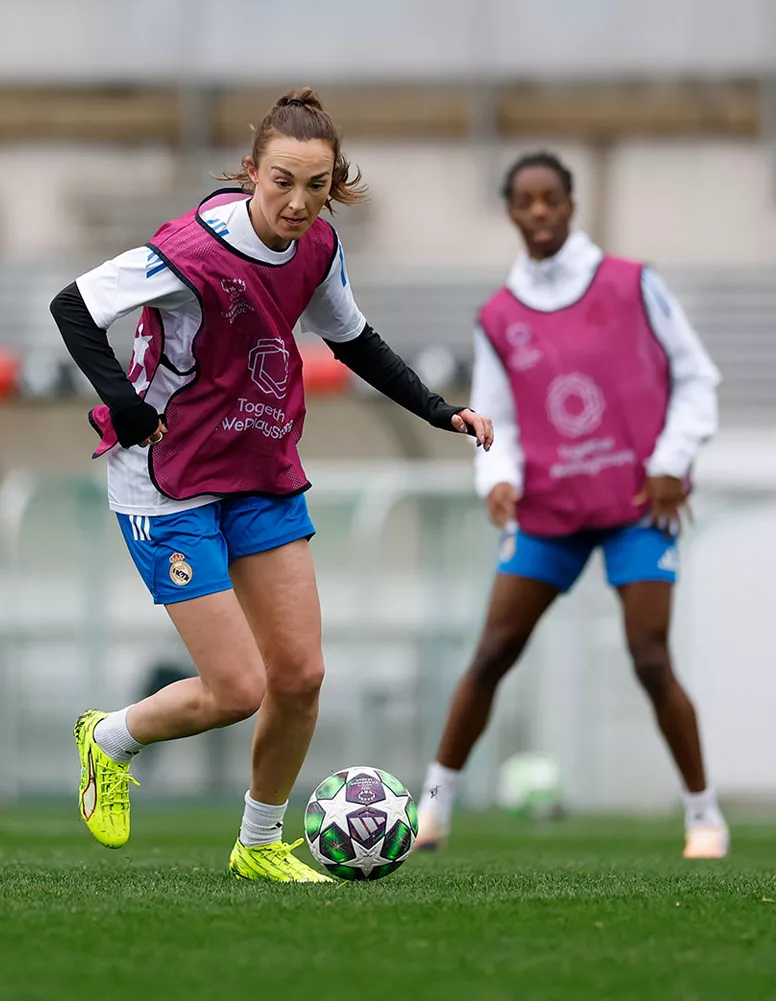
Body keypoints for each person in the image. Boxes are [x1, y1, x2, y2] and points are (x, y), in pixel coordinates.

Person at [50, 89, 493, 882]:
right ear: (252, 171)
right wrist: (122, 402)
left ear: (335, 184)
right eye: (282, 181)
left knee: (300, 675)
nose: (297, 202)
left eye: (316, 186)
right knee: (237, 687)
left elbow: (352, 338)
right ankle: (109, 737)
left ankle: (258, 844)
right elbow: (74, 305)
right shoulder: (190, 247)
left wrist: (438, 410)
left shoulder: (318, 248)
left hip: (258, 468)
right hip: (170, 479)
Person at [415, 151, 729, 859]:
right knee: (494, 651)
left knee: (650, 656)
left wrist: (671, 464)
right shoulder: (497, 315)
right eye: (524, 201)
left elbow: (696, 376)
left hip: (635, 504)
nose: (538, 212)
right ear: (509, 211)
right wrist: (494, 476)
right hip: (550, 512)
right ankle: (432, 807)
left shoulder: (631, 282)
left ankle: (704, 816)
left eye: (550, 198)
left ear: (571, 203)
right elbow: (495, 419)